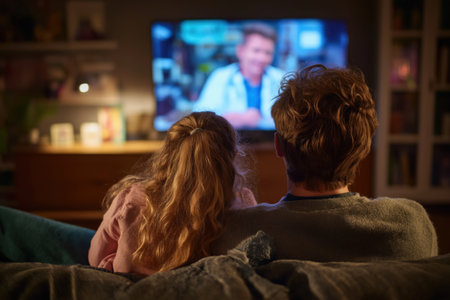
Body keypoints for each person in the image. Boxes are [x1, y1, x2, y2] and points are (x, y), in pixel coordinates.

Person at [211, 64, 438, 261]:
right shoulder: (410, 225)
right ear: (364, 147)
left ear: (278, 146)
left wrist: (249, 218)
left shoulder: (241, 234)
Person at [88, 112, 256, 275]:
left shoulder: (132, 198)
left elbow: (95, 259)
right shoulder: (244, 202)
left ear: (167, 154)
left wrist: (112, 262)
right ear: (233, 157)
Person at [194, 23, 284, 129]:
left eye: (268, 53)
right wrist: (237, 119)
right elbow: (199, 120)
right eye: (256, 51)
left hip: (271, 143)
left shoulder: (281, 78)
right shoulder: (221, 76)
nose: (262, 58)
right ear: (240, 51)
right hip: (229, 143)